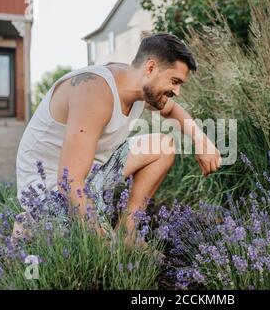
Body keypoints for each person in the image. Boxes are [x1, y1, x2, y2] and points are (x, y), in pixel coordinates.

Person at [15, 32, 221, 250]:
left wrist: (202, 141)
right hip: (50, 188)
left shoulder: (138, 86)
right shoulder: (94, 91)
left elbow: (173, 110)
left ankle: (127, 235)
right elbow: (70, 182)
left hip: (91, 174)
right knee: (85, 245)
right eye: (174, 81)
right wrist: (105, 246)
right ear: (150, 68)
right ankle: (30, 223)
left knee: (163, 145)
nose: (177, 91)